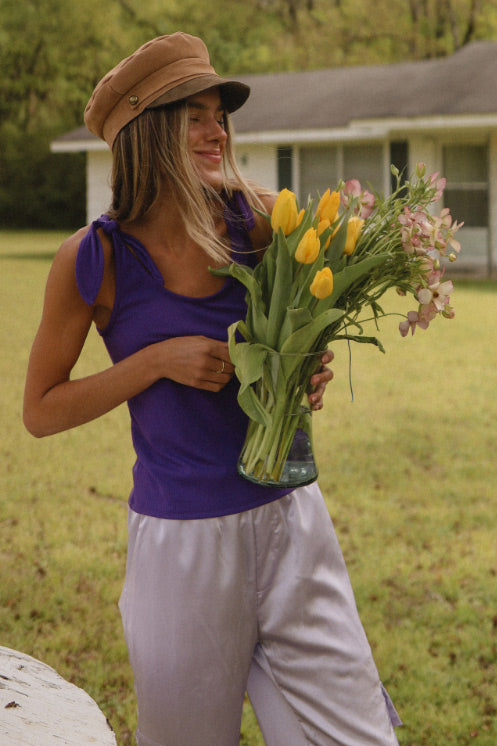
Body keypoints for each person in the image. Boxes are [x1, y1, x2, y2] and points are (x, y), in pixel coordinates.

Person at [23, 32, 401, 746]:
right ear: (144, 133)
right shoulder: (93, 259)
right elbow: (39, 411)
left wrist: (303, 371)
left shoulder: (254, 221)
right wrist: (152, 362)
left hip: (292, 518)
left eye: (216, 113)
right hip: (181, 546)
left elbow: (293, 334)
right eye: (190, 114)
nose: (214, 130)